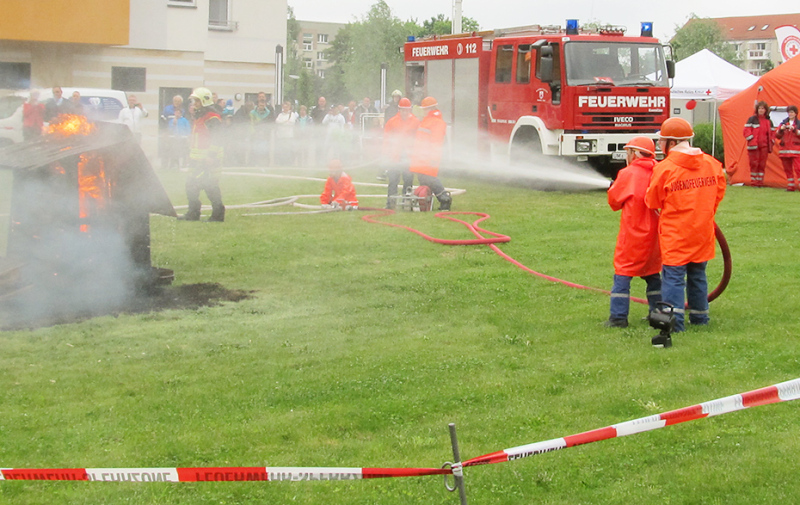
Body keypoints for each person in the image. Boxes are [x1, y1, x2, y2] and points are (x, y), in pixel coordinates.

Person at [645, 117, 726, 335]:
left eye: (662, 140)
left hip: (676, 234)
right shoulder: (712, 164)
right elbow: (718, 193)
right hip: (702, 232)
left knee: (673, 279)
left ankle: (675, 324)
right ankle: (700, 318)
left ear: (671, 142)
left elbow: (652, 200)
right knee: (698, 275)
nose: (659, 144)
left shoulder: (665, 168)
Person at [605, 137, 662, 328]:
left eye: (628, 152)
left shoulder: (627, 173)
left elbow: (614, 202)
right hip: (656, 235)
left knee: (623, 273)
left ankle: (618, 318)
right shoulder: (660, 171)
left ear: (634, 153)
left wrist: (613, 187)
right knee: (653, 274)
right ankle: (657, 314)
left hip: (632, 234)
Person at [179, 87, 226, 222]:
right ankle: (195, 213)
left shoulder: (212, 118)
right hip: (198, 159)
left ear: (204, 101)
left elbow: (218, 138)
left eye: (197, 101)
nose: (194, 104)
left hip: (208, 159)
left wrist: (211, 156)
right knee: (195, 185)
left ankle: (216, 213)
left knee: (208, 186)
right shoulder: (200, 117)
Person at [409, 96, 452, 210]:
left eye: (425, 109)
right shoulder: (427, 120)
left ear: (430, 108)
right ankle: (426, 201)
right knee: (423, 179)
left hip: (429, 158)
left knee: (430, 178)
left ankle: (445, 199)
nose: (423, 111)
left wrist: (433, 158)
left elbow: (436, 142)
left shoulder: (436, 122)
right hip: (421, 158)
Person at [382, 97, 419, 209]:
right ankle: (391, 203)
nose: (405, 112)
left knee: (408, 180)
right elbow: (386, 139)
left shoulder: (415, 122)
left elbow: (418, 138)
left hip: (408, 156)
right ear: (399, 110)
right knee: (393, 180)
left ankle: (406, 203)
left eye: (407, 110)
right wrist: (386, 153)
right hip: (395, 156)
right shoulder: (392, 122)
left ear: (410, 110)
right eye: (403, 110)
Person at [742, 100, 773, 187]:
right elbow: (746, 130)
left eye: (763, 108)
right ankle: (754, 181)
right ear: (757, 109)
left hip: (764, 146)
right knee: (754, 163)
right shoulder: (752, 119)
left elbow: (772, 133)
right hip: (754, 146)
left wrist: (772, 141)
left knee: (762, 164)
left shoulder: (768, 121)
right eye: (759, 108)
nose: (761, 110)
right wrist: (751, 139)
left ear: (766, 110)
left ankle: (760, 182)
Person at [774, 105, 800, 191]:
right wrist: (781, 129)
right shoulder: (783, 123)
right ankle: (790, 185)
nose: (790, 114)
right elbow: (777, 135)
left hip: (796, 150)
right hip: (784, 150)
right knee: (787, 169)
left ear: (796, 113)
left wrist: (794, 130)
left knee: (798, 168)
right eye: (789, 112)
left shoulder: (798, 124)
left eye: (792, 112)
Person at [249, 92, 272, 167]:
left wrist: (265, 132)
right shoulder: (252, 113)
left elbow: (270, 123)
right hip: (255, 134)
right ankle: (253, 164)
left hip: (265, 135)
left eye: (263, 105)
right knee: (254, 149)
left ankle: (266, 164)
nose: (261, 106)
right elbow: (251, 123)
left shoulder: (269, 112)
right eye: (260, 105)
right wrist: (254, 132)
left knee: (265, 150)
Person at [274, 100, 298, 165]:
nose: (285, 108)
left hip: (289, 136)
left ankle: (289, 163)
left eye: (287, 107)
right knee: (281, 150)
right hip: (281, 136)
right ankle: (282, 163)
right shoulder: (280, 115)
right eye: (284, 107)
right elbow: (277, 121)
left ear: (289, 107)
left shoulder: (292, 114)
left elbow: (291, 122)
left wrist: (283, 123)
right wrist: (285, 122)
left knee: (288, 150)